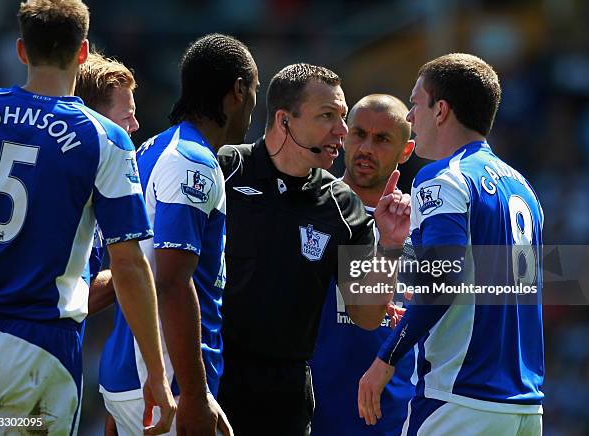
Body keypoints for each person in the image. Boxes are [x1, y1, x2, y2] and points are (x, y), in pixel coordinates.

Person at [0, 0, 175, 435]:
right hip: (37, 352)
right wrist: (157, 378)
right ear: (83, 52)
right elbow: (128, 265)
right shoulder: (104, 137)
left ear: (22, 50)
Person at [217, 63, 412, 436]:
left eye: (342, 118)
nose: (344, 134)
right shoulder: (224, 170)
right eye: (331, 118)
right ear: (284, 120)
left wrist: (389, 247)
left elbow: (368, 314)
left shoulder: (347, 208)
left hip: (300, 405)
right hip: (213, 382)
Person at [358, 53, 544, 435]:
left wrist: (386, 357)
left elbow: (441, 281)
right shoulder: (523, 188)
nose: (411, 117)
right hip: (525, 406)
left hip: (460, 399)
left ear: (440, 110)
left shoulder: (443, 178)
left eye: (415, 102)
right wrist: (400, 245)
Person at [99, 33, 259, 436]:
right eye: (255, 89)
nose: (255, 103)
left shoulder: (151, 150)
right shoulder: (193, 162)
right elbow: (171, 281)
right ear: (238, 90)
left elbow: (125, 267)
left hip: (132, 377)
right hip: (166, 387)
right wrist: (194, 393)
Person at [310, 94, 416, 436]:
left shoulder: (425, 226)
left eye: (382, 139)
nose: (366, 147)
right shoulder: (310, 208)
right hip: (312, 414)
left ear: (406, 150)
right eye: (359, 134)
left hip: (395, 418)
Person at [75, 50, 140, 315]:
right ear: (96, 122)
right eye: (126, 117)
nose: (135, 125)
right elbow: (64, 300)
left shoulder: (97, 180)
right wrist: (138, 266)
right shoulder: (70, 187)